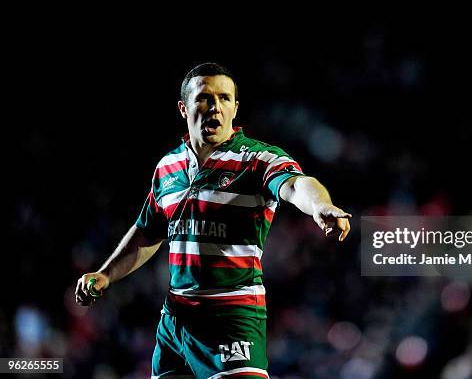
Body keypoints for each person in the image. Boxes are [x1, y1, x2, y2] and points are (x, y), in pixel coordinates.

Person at [74, 62, 351, 378]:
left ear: (235, 107)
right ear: (184, 108)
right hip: (175, 322)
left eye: (224, 98)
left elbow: (295, 184)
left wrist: (320, 205)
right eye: (205, 98)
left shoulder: (256, 159)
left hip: (232, 317)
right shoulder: (168, 167)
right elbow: (148, 231)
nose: (215, 107)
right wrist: (105, 275)